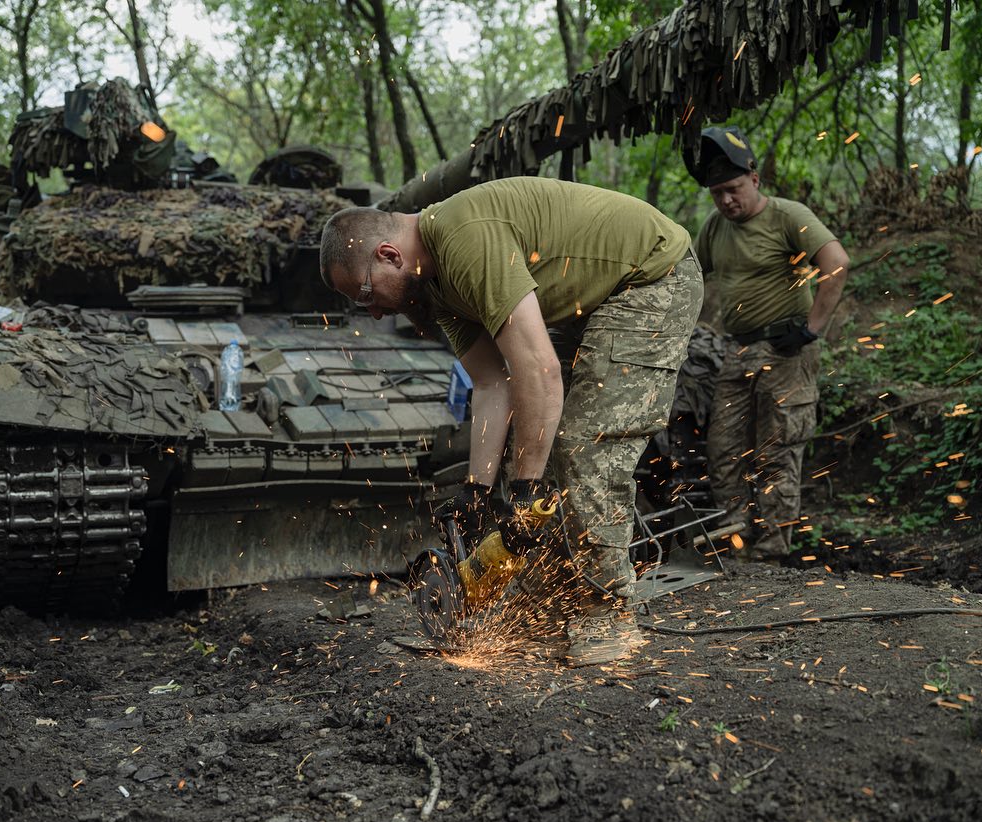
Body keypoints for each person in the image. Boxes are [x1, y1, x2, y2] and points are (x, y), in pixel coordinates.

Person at [319, 177, 702, 664]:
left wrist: (525, 489)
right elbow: (491, 383)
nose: (373, 312)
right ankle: (549, 600)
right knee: (537, 452)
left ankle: (607, 613)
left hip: (654, 277)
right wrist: (477, 491)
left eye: (366, 295)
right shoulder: (437, 289)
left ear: (391, 255)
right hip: (601, 298)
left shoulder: (463, 237)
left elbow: (537, 370)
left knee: (583, 446)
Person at [684, 126, 850, 561]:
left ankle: (774, 551)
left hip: (787, 349)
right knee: (723, 449)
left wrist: (812, 329)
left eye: (733, 189)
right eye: (717, 192)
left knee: (778, 450)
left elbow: (836, 263)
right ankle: (736, 542)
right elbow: (688, 276)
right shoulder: (715, 227)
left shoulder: (786, 215)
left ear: (754, 180)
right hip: (735, 352)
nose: (726, 200)